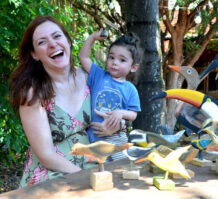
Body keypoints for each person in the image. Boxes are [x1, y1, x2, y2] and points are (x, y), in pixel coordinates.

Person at [9, 16, 99, 187]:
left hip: (93, 163)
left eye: (57, 36)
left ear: (68, 41)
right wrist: (86, 177)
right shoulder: (33, 93)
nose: (52, 44)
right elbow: (46, 155)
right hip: (52, 174)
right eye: (42, 42)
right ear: (34, 54)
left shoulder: (88, 78)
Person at [79, 30, 142, 161]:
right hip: (94, 136)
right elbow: (83, 57)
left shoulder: (130, 89)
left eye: (122, 60)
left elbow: (133, 114)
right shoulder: (98, 76)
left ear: (133, 67)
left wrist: (120, 113)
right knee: (98, 173)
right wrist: (93, 37)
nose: (115, 62)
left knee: (120, 169)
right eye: (111, 57)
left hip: (116, 137)